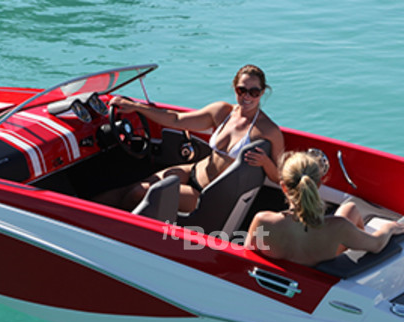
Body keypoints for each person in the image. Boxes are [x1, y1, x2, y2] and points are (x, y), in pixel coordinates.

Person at [103, 64, 285, 212]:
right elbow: (176, 119)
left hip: (207, 196)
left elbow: (280, 178)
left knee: (139, 194)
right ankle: (89, 208)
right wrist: (137, 107)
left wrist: (265, 162)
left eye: (254, 92)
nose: (247, 96)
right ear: (234, 88)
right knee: (132, 188)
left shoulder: (268, 131)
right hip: (193, 171)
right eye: (241, 90)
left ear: (262, 92)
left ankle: (109, 227)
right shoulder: (223, 111)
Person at [245, 150, 404, 266]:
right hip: (323, 263)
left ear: (283, 187)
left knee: (350, 209)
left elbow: (247, 254)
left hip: (287, 279)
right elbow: (377, 245)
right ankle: (356, 239)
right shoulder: (338, 227)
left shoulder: (263, 222)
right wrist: (389, 228)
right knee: (351, 208)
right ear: (318, 185)